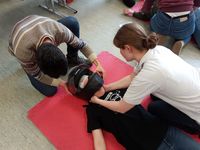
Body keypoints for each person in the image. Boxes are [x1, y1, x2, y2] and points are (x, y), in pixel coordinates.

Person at [90, 22, 200, 135]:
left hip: (197, 115)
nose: (120, 52)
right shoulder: (156, 49)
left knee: (154, 108)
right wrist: (107, 87)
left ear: (128, 48)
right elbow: (132, 77)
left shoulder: (149, 73)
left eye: (120, 49)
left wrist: (97, 101)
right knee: (154, 94)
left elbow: (122, 107)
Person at [66, 65, 200, 150]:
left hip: (164, 130)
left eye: (89, 77)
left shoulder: (116, 88)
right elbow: (98, 138)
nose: (91, 80)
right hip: (146, 146)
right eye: (86, 82)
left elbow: (135, 78)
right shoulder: (92, 110)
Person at [8, 15, 104, 96]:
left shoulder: (59, 31)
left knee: (72, 22)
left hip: (43, 25)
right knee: (50, 91)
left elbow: (81, 44)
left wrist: (97, 63)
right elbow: (38, 75)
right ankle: (26, 68)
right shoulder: (24, 54)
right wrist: (60, 83)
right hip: (18, 40)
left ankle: (73, 58)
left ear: (58, 48)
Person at [124, 0, 200, 55]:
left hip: (162, 22)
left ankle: (156, 35)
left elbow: (146, 9)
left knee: (153, 20)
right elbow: (196, 6)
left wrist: (135, 13)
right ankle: (181, 42)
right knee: (188, 34)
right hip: (183, 22)